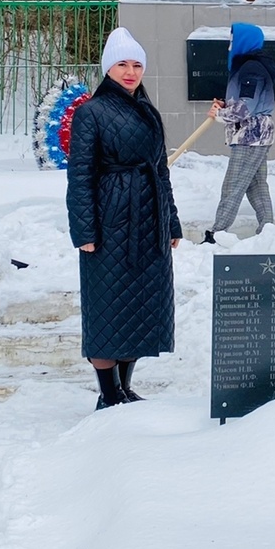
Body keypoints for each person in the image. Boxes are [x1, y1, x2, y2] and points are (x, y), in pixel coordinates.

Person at [66, 28, 182, 410]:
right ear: (107, 69)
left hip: (149, 219)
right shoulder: (90, 112)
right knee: (108, 304)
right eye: (122, 64)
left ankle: (125, 388)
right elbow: (80, 174)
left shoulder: (147, 110)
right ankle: (109, 392)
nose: (130, 72)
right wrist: (84, 230)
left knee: (141, 303)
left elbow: (160, 170)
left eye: (136, 65)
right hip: (111, 218)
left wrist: (172, 222)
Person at [203, 22, 275, 243]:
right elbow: (245, 102)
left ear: (243, 42)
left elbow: (247, 107)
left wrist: (220, 115)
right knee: (255, 186)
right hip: (255, 135)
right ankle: (268, 231)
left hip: (250, 136)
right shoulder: (249, 67)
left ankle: (216, 234)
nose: (229, 47)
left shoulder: (251, 69)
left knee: (233, 185)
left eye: (232, 41)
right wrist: (226, 105)